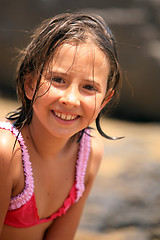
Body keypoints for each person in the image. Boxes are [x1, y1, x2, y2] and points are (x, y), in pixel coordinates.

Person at [0, 12, 122, 240]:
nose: (71, 99)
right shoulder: (7, 152)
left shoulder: (88, 154)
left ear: (105, 100)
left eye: (89, 87)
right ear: (29, 84)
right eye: (58, 80)